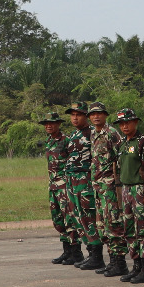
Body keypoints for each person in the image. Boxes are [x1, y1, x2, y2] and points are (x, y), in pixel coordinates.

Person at [113, 109, 144, 284]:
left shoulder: (143, 143)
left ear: (135, 123)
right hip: (126, 190)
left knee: (143, 230)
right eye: (121, 123)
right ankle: (137, 266)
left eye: (128, 122)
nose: (124, 126)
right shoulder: (123, 144)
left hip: (140, 189)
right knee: (129, 229)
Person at [85, 104, 128, 279]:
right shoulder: (94, 133)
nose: (96, 117)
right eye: (93, 114)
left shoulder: (111, 133)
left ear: (105, 115)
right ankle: (112, 261)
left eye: (99, 114)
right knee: (102, 225)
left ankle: (120, 263)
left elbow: (121, 159)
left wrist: (118, 186)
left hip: (110, 187)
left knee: (114, 225)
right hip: (98, 187)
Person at [39, 112, 84, 267]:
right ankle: (67, 251)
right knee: (58, 219)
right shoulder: (49, 141)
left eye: (52, 123)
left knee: (69, 218)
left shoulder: (66, 140)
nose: (49, 126)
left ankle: (76, 252)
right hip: (53, 185)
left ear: (58, 124)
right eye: (46, 124)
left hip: (64, 185)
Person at [63, 103, 101, 271]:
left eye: (79, 114)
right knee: (78, 217)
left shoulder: (93, 133)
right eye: (72, 115)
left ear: (86, 116)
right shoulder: (74, 134)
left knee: (88, 216)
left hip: (85, 180)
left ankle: (97, 256)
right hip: (73, 181)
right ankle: (90, 253)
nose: (75, 117)